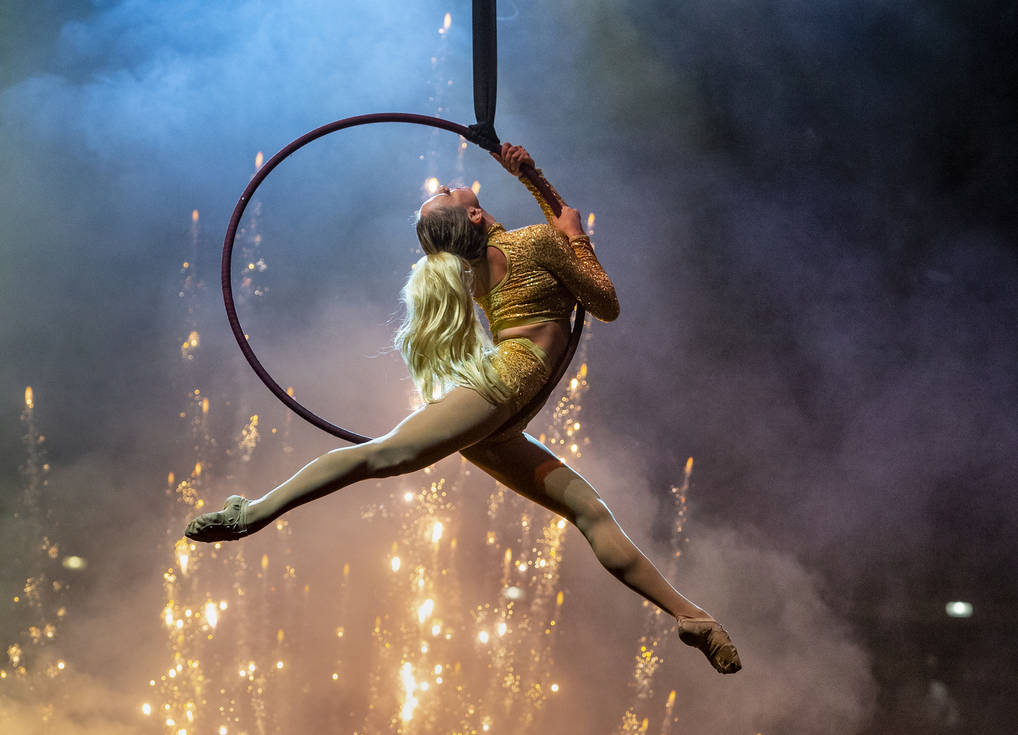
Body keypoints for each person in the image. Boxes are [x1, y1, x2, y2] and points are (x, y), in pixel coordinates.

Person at [185, 144, 741, 674]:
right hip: (505, 386)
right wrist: (572, 232)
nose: (448, 183)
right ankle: (250, 513)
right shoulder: (532, 246)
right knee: (385, 455)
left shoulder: (484, 268)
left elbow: (557, 225)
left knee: (588, 512)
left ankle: (691, 618)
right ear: (474, 217)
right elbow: (605, 302)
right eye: (449, 192)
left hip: (505, 407)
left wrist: (534, 178)